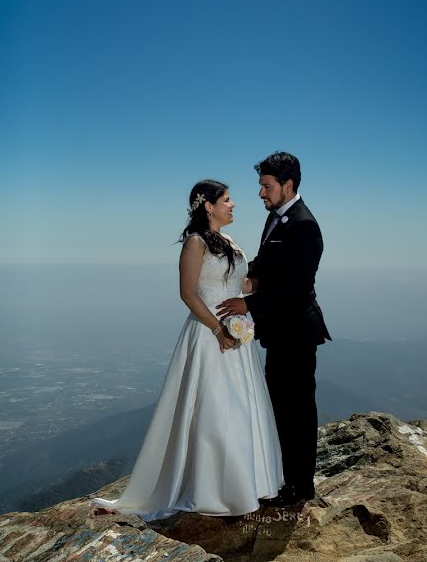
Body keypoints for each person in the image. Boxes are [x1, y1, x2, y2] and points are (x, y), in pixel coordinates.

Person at [91, 179, 283, 520]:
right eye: (226, 200)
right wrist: (218, 329)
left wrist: (277, 277)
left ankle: (242, 483)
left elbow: (242, 284)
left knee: (238, 408)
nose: (233, 204)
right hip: (209, 335)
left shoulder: (228, 242)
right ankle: (208, 487)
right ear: (208, 206)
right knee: (212, 411)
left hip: (235, 337)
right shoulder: (195, 243)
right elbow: (188, 294)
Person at [217, 152, 330, 506]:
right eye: (261, 186)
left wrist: (248, 305)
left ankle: (300, 487)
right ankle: (284, 480)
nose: (261, 194)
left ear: (288, 185)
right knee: (280, 406)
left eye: (266, 186)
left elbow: (296, 287)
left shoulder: (304, 225)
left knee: (297, 409)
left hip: (297, 332)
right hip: (279, 332)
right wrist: (229, 281)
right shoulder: (277, 220)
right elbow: (264, 269)